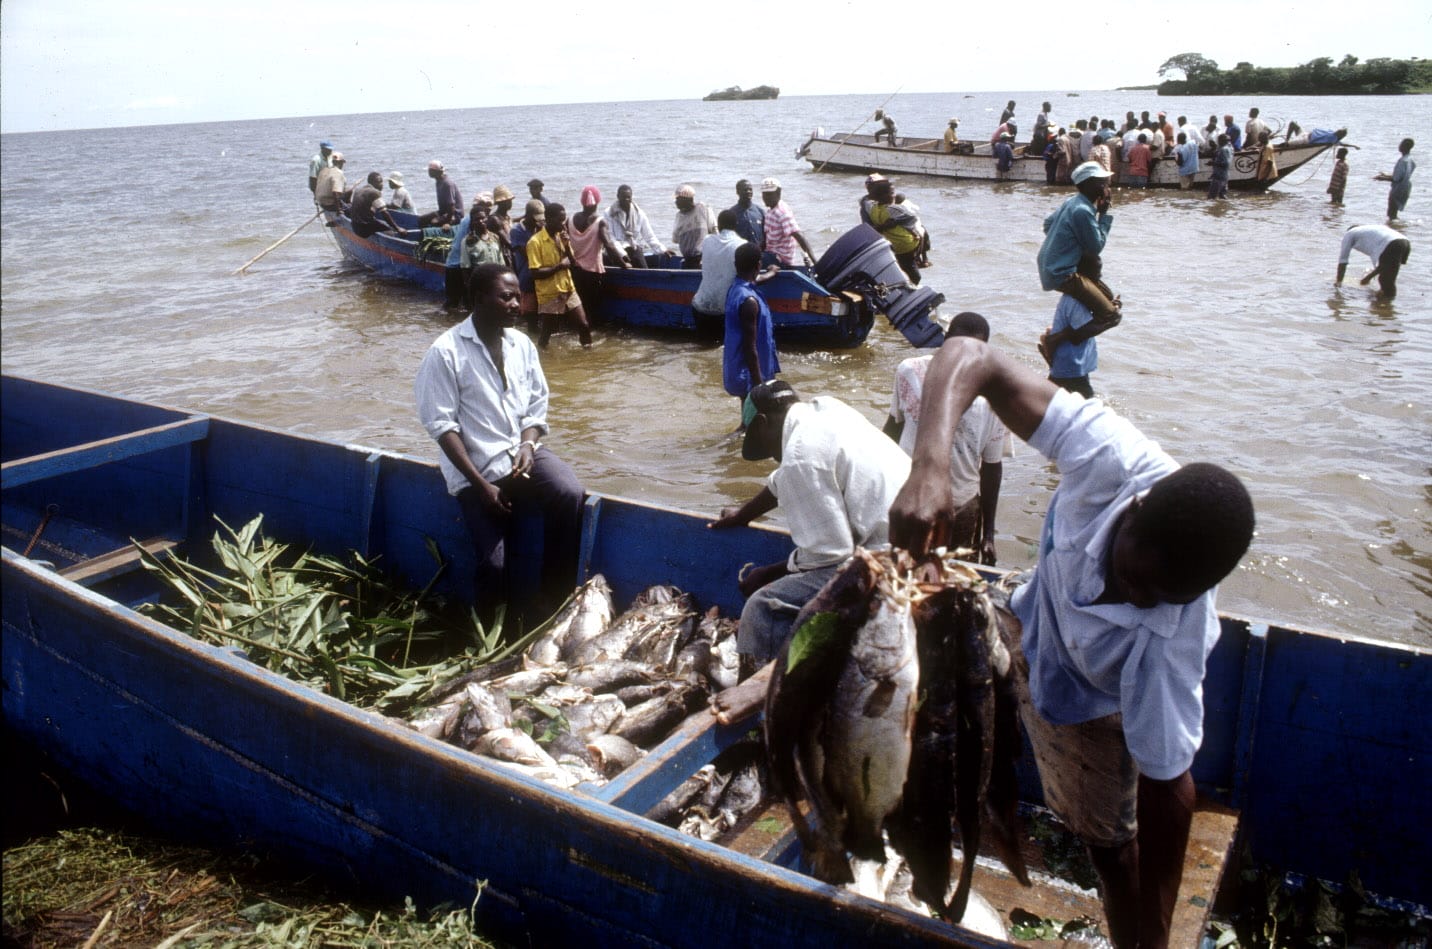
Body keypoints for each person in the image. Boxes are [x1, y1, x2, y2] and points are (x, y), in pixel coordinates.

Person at [888, 335, 1254, 949]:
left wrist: (1156, 940)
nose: (1140, 600)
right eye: (1137, 579)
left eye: (1161, 598)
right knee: (917, 660)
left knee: (1111, 849)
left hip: (1093, 698)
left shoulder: (1172, 636)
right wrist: (929, 465)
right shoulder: (1109, 454)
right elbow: (970, 356)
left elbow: (1170, 787)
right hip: (1030, 614)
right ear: (1131, 513)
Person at [414, 263, 585, 631]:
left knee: (569, 492)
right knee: (494, 566)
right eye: (506, 296)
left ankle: (549, 602)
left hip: (521, 456)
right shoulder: (445, 352)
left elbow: (537, 404)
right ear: (479, 299)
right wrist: (481, 486)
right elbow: (442, 427)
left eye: (517, 296)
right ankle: (485, 635)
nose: (517, 304)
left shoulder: (521, 344)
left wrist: (529, 443)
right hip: (477, 471)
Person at [707, 380, 912, 668]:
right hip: (918, 535)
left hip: (888, 562)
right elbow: (784, 478)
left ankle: (761, 705)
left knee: (761, 607)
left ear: (763, 422)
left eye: (760, 441)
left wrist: (768, 574)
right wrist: (743, 514)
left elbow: (830, 555)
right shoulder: (827, 410)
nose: (769, 455)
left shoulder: (800, 456)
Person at [883, 311, 1010, 565]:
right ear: (945, 340)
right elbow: (891, 432)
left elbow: (992, 467)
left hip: (960, 507)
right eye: (956, 345)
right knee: (901, 572)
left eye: (973, 349)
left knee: (952, 579)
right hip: (910, 498)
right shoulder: (910, 371)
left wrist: (988, 535)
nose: (961, 355)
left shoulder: (994, 397)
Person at [1038, 161, 1121, 324]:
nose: (1106, 186)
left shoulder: (1073, 201)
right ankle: (1055, 339)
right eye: (1102, 182)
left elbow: (1048, 225)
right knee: (1112, 316)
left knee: (1109, 297)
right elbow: (1096, 247)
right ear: (1090, 185)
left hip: (1049, 267)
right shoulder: (1082, 210)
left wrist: (1068, 245)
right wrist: (1103, 215)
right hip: (1061, 274)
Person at [1038, 257, 1121, 398]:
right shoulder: (1074, 300)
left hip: (1073, 365)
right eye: (1096, 273)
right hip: (1070, 366)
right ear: (1084, 276)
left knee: (1052, 400)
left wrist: (1111, 308)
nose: (1100, 277)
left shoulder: (1081, 298)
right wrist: (1111, 321)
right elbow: (1079, 334)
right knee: (1087, 407)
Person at [527, 203, 594, 347]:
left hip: (568, 288)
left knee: (584, 325)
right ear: (548, 219)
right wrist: (559, 266)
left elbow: (573, 262)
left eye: (564, 220)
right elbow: (535, 273)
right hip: (550, 293)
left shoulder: (561, 237)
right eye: (559, 220)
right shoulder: (535, 242)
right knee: (547, 332)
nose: (563, 224)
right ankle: (541, 357)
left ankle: (589, 356)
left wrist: (567, 244)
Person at [567, 184, 629, 315]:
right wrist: (623, 264)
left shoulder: (570, 219)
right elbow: (609, 245)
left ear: (582, 201)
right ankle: (589, 332)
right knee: (590, 308)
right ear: (598, 201)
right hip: (592, 273)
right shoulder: (600, 222)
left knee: (577, 305)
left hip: (573, 270)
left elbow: (563, 242)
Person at [866, 175, 923, 284]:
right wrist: (894, 223)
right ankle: (920, 262)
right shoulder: (893, 208)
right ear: (883, 196)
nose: (894, 195)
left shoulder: (873, 210)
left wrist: (882, 227)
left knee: (902, 266)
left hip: (892, 246)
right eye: (892, 193)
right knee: (921, 234)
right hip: (906, 244)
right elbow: (912, 217)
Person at [693, 209, 746, 325]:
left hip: (700, 305)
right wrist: (771, 272)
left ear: (719, 225)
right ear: (736, 225)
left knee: (703, 342)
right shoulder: (742, 245)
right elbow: (748, 278)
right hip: (724, 310)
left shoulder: (707, 240)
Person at [1335, 223, 1411, 300]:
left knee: (1385, 281)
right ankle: (1388, 306)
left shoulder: (1349, 234)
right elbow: (1384, 266)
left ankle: (1386, 305)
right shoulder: (1372, 230)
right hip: (1405, 242)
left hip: (1390, 244)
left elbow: (1342, 261)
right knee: (1388, 281)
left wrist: (1338, 283)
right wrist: (1368, 277)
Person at [605, 184, 669, 269]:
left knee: (643, 266)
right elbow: (611, 238)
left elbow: (649, 236)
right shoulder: (609, 213)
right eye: (623, 197)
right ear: (618, 197)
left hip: (632, 247)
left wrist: (663, 250)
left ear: (631, 197)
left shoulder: (639, 213)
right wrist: (622, 254)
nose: (626, 200)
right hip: (616, 250)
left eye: (629, 197)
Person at [760, 178, 816, 268]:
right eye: (764, 194)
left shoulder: (782, 213)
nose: (766, 198)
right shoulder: (770, 211)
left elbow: (799, 236)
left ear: (778, 193)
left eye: (770, 194)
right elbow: (765, 241)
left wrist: (816, 262)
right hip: (769, 254)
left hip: (780, 259)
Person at [509, 200, 545, 324]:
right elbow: (530, 254)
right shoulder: (517, 230)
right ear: (527, 215)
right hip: (527, 277)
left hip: (542, 277)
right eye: (536, 218)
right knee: (530, 318)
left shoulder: (540, 227)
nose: (538, 221)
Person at [671, 184, 717, 268]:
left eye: (678, 199)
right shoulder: (679, 216)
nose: (676, 202)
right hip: (688, 258)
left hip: (703, 258)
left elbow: (714, 231)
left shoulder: (702, 209)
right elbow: (675, 239)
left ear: (687, 200)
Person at [349, 172, 403, 238]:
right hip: (363, 229)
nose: (382, 185)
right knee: (390, 230)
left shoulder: (358, 190)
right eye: (380, 182)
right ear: (373, 183)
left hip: (354, 226)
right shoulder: (374, 192)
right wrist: (398, 229)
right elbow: (385, 213)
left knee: (380, 223)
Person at [1377, 138, 1415, 221]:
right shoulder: (1410, 160)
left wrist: (1382, 178)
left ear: (1404, 147)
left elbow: (1396, 178)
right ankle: (1397, 227)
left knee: (1391, 213)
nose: (1399, 145)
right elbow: (1404, 175)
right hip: (1405, 187)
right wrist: (1386, 175)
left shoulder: (1402, 161)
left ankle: (1394, 228)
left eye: (1401, 144)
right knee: (1394, 212)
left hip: (1398, 189)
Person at [420, 160, 464, 227]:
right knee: (421, 219)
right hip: (444, 212)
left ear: (436, 172)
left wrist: (447, 222)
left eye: (430, 170)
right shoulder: (439, 181)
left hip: (455, 214)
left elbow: (451, 205)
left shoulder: (447, 184)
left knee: (434, 222)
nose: (428, 172)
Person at [728, 179, 766, 251]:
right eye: (745, 190)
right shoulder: (732, 214)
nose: (748, 192)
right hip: (740, 254)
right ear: (737, 192)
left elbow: (766, 235)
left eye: (750, 189)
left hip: (758, 253)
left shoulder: (760, 212)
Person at [1208, 134, 1233, 200]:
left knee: (1211, 197)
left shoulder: (1223, 149)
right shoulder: (1230, 148)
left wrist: (1213, 163)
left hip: (1219, 175)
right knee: (1222, 195)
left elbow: (1225, 163)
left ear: (1221, 141)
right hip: (1225, 175)